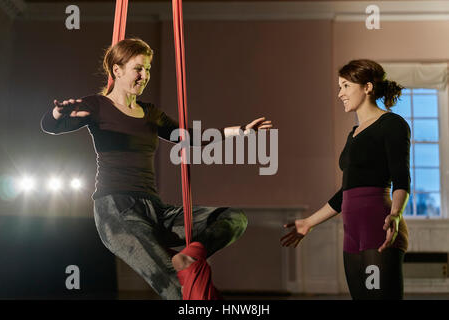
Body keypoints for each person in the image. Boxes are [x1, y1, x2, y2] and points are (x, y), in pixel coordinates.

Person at [41, 38, 272, 300]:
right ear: (117, 70)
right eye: (139, 68)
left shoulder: (150, 113)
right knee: (178, 288)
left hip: (155, 210)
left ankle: (189, 256)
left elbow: (189, 137)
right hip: (117, 212)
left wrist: (238, 131)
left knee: (234, 218)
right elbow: (51, 126)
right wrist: (59, 114)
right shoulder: (97, 105)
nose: (145, 75)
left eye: (148, 69)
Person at [281, 59, 410, 300]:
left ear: (367, 87)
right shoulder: (353, 134)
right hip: (352, 233)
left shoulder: (392, 124)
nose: (340, 93)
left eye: (345, 86)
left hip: (378, 227)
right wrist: (309, 222)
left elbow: (401, 179)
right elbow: (346, 193)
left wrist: (396, 213)